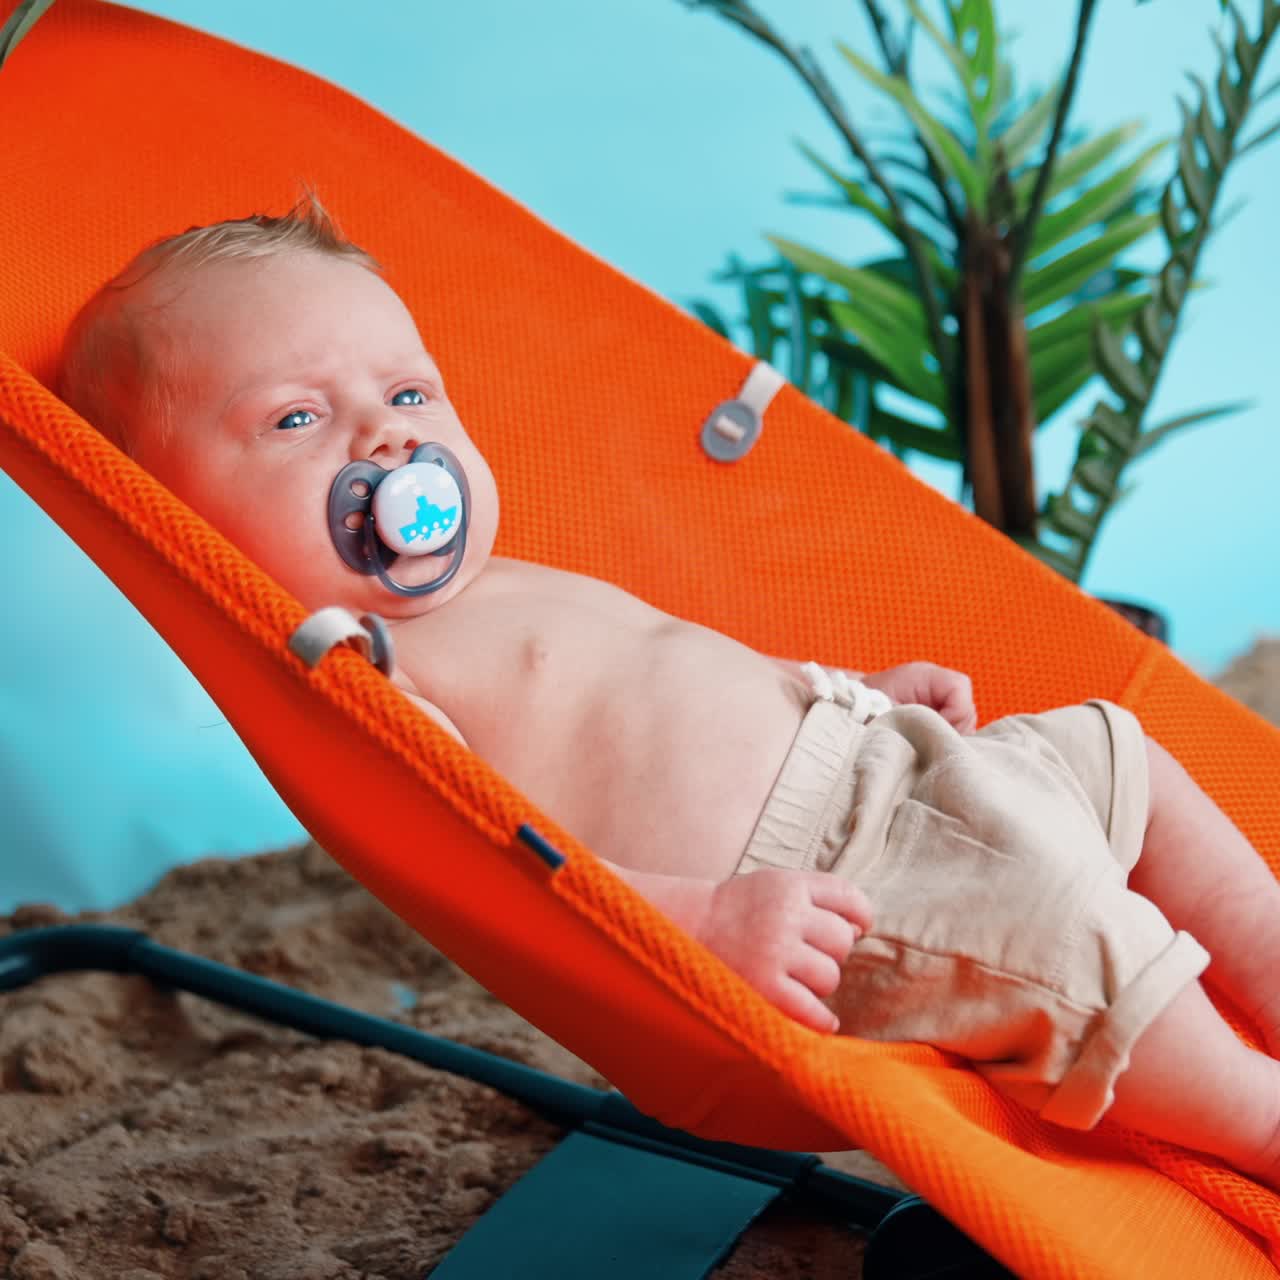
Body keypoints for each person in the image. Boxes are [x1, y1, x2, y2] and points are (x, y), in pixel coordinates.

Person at [59, 199, 1280, 1188]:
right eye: (296, 418)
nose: (385, 441)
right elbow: (496, 864)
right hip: (827, 888)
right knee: (1060, 929)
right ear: (179, 524)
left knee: (1116, 750)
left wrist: (845, 690)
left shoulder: (499, 576)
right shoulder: (376, 677)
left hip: (882, 759)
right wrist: (696, 923)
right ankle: (1260, 1122)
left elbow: (675, 675)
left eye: (410, 394)